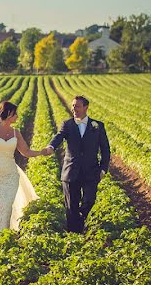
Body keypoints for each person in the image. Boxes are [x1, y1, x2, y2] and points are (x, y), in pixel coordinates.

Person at [0, 101, 46, 232]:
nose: (17, 116)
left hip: (10, 174)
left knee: (7, 206)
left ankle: (4, 233)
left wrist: (41, 152)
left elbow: (26, 152)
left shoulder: (16, 133)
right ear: (8, 114)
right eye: (15, 114)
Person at [43, 95, 110, 233]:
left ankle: (80, 219)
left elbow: (105, 149)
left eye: (77, 106)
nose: (74, 109)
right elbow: (59, 137)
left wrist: (103, 169)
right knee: (71, 205)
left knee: (89, 200)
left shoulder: (97, 126)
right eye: (73, 106)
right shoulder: (67, 125)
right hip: (71, 170)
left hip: (91, 171)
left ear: (86, 107)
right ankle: (74, 233)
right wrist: (51, 147)